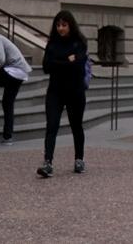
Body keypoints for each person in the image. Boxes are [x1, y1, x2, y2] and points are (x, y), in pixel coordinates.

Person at [38, 10, 88, 177]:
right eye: (58, 25)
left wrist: (58, 62)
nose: (60, 28)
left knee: (76, 126)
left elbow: (78, 65)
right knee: (51, 125)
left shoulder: (79, 42)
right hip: (55, 91)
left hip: (75, 91)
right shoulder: (52, 43)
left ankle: (79, 159)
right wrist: (67, 61)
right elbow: (46, 66)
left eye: (64, 25)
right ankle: (48, 162)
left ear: (70, 25)